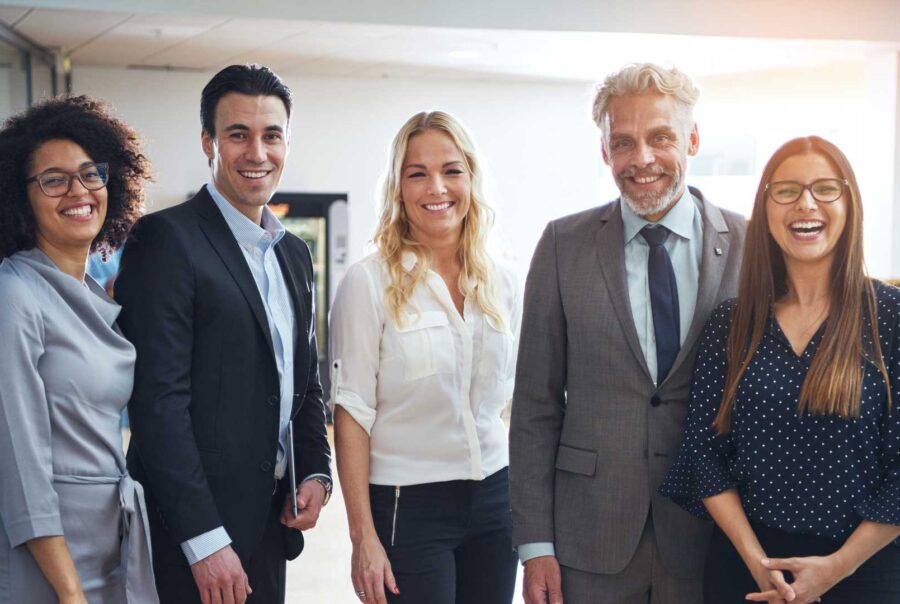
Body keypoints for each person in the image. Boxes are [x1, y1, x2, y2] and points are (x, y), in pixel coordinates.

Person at [509, 62, 747, 604]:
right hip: (587, 542)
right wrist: (535, 544)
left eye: (660, 137)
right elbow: (535, 407)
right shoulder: (562, 246)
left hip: (713, 537)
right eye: (623, 142)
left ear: (691, 139)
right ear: (604, 152)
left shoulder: (750, 244)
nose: (642, 159)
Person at [115, 64, 332, 604]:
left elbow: (301, 376)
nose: (257, 153)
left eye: (271, 135)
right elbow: (157, 404)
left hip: (267, 525)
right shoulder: (166, 241)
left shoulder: (294, 253)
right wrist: (204, 539)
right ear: (209, 141)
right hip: (193, 539)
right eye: (238, 134)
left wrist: (315, 470)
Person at [660, 136, 900, 604]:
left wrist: (836, 568)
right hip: (746, 573)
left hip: (864, 573)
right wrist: (757, 563)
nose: (805, 203)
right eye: (786, 190)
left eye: (825, 188)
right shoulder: (732, 323)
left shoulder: (890, 318)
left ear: (849, 204)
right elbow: (703, 454)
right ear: (765, 208)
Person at [330, 111, 520, 604]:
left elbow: (520, 403)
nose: (437, 187)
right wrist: (361, 537)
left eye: (452, 170)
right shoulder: (368, 283)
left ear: (471, 178)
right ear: (398, 188)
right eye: (418, 173)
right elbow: (351, 411)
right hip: (407, 505)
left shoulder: (502, 282)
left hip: (496, 499)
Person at [0, 95, 156, 603]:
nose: (78, 191)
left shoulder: (91, 294)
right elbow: (18, 461)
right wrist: (69, 592)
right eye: (53, 179)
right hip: (45, 560)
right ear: (21, 198)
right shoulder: (15, 293)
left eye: (91, 174)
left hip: (110, 548)